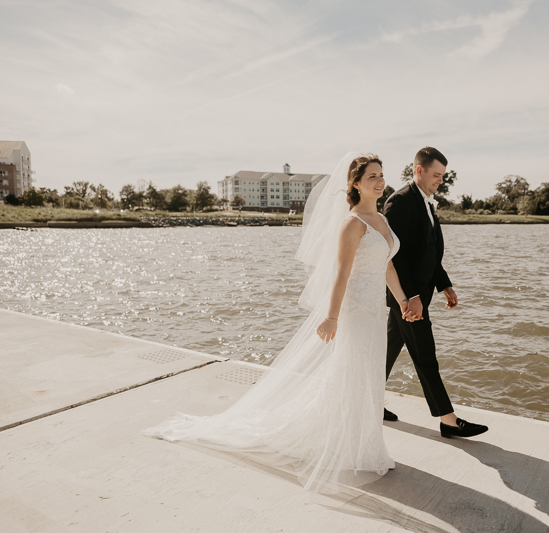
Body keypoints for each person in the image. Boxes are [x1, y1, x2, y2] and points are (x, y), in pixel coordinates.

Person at [143, 152, 415, 494]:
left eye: (381, 174)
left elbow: (387, 265)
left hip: (378, 311)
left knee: (371, 376)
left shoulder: (382, 221)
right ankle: (345, 445)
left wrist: (403, 299)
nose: (380, 180)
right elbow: (341, 273)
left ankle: (365, 444)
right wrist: (331, 316)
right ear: (355, 184)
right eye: (372, 176)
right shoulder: (353, 223)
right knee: (352, 373)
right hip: (355, 312)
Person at [382, 146, 489, 439]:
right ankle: (448, 420)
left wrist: (444, 284)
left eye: (443, 176)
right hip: (407, 298)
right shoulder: (400, 202)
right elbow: (395, 255)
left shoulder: (426, 202)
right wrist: (412, 297)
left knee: (388, 349)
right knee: (426, 356)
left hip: (417, 295)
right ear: (419, 170)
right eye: (436, 175)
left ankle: (368, 401)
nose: (440, 180)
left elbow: (429, 251)